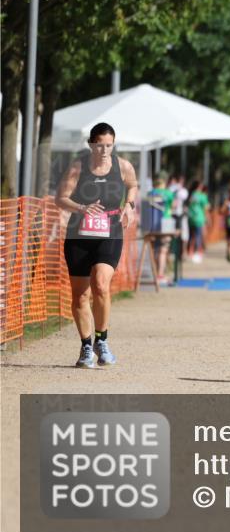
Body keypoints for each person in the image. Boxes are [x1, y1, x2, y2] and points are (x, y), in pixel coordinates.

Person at [55, 122, 138, 368]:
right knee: (80, 294)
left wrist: (130, 205)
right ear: (91, 144)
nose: (104, 150)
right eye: (99, 145)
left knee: (101, 284)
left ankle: (103, 341)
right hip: (79, 234)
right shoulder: (77, 168)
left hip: (110, 230)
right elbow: (60, 198)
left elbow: (132, 186)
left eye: (109, 145)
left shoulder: (123, 166)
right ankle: (86, 346)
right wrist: (81, 207)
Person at [146, 175, 175, 284]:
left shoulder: (150, 193)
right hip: (166, 222)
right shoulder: (168, 193)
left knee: (153, 249)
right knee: (163, 249)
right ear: (164, 183)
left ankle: (153, 274)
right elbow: (172, 207)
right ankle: (160, 275)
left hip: (152, 223)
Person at [185, 181, 210, 263]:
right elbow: (206, 208)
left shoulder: (191, 195)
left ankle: (189, 253)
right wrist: (208, 219)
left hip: (190, 218)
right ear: (200, 187)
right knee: (198, 236)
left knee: (191, 236)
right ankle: (197, 254)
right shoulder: (202, 196)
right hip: (199, 218)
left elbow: (187, 205)